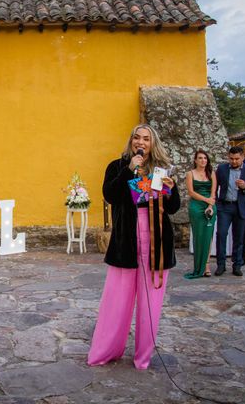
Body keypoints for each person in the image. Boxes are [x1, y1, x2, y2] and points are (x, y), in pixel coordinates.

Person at [88, 124, 180, 370]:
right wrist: (129, 170)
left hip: (156, 240)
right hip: (126, 241)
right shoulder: (117, 166)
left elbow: (172, 208)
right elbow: (110, 195)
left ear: (153, 143)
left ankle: (143, 357)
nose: (141, 142)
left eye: (146, 139)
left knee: (151, 302)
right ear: (131, 141)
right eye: (137, 138)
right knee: (116, 301)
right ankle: (106, 351)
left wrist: (170, 192)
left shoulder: (161, 170)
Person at [214, 146, 245, 277]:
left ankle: (237, 265)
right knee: (221, 234)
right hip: (225, 207)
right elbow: (215, 186)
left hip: (242, 207)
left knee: (239, 238)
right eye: (231, 159)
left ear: (242, 158)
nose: (234, 161)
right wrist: (217, 202)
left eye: (237, 159)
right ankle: (220, 265)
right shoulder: (221, 169)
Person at [184, 150, 216, 279]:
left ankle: (206, 265)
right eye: (200, 158)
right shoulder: (190, 174)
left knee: (208, 236)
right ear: (195, 160)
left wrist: (210, 204)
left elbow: (213, 192)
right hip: (196, 206)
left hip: (210, 206)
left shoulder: (212, 173)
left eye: (205, 158)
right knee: (199, 235)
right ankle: (198, 266)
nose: (203, 160)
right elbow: (191, 192)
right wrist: (205, 199)